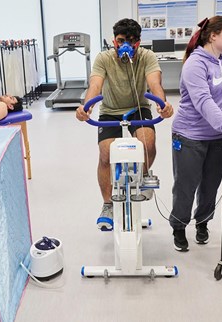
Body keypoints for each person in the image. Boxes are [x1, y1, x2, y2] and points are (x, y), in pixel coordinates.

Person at [75, 18, 174, 231]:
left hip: (138, 108)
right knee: (105, 154)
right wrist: (86, 107)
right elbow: (95, 85)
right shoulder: (104, 58)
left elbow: (155, 83)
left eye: (130, 41)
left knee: (147, 143)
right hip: (110, 111)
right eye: (121, 40)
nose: (125, 45)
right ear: (114, 41)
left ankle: (145, 173)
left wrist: (163, 104)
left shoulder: (147, 57)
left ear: (138, 42)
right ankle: (108, 204)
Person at [170, 16, 222, 252]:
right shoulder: (195, 64)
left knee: (210, 185)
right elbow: (203, 101)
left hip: (217, 137)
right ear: (213, 35)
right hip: (189, 135)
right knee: (186, 185)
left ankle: (203, 223)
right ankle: (178, 227)